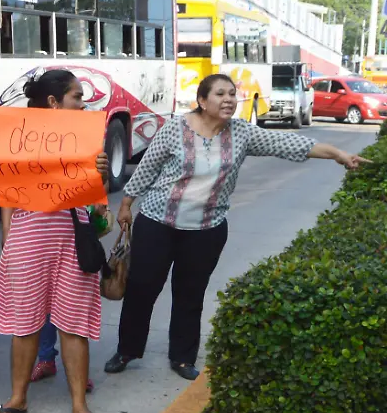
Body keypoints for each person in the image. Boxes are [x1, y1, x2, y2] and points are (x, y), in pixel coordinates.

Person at [105, 73, 368, 381]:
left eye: (231, 93)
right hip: (158, 224)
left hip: (206, 230)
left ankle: (182, 357)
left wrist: (337, 154)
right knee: (142, 289)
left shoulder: (242, 133)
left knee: (191, 294)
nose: (228, 99)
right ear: (202, 101)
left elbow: (288, 142)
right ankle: (127, 350)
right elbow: (147, 167)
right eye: (220, 94)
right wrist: (126, 204)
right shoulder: (175, 129)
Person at [0, 69, 111, 413]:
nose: (82, 102)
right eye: (76, 96)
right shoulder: (18, 140)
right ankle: (17, 397)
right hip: (28, 240)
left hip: (72, 241)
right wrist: (9, 237)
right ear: (54, 101)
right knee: (24, 325)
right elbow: (1, 191)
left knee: (73, 325)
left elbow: (96, 207)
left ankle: (79, 403)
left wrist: (98, 174)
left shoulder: (87, 142)